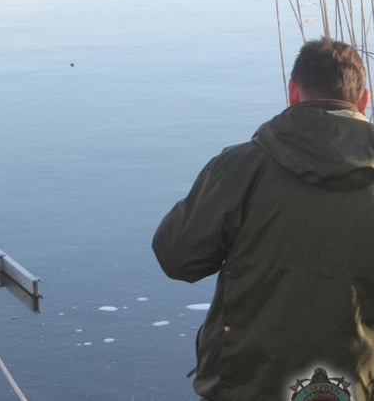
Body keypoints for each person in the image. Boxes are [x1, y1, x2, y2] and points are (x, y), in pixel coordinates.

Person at [152, 37, 374, 401]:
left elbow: (176, 257)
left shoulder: (241, 167)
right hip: (356, 384)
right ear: (363, 100)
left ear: (293, 92)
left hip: (246, 383)